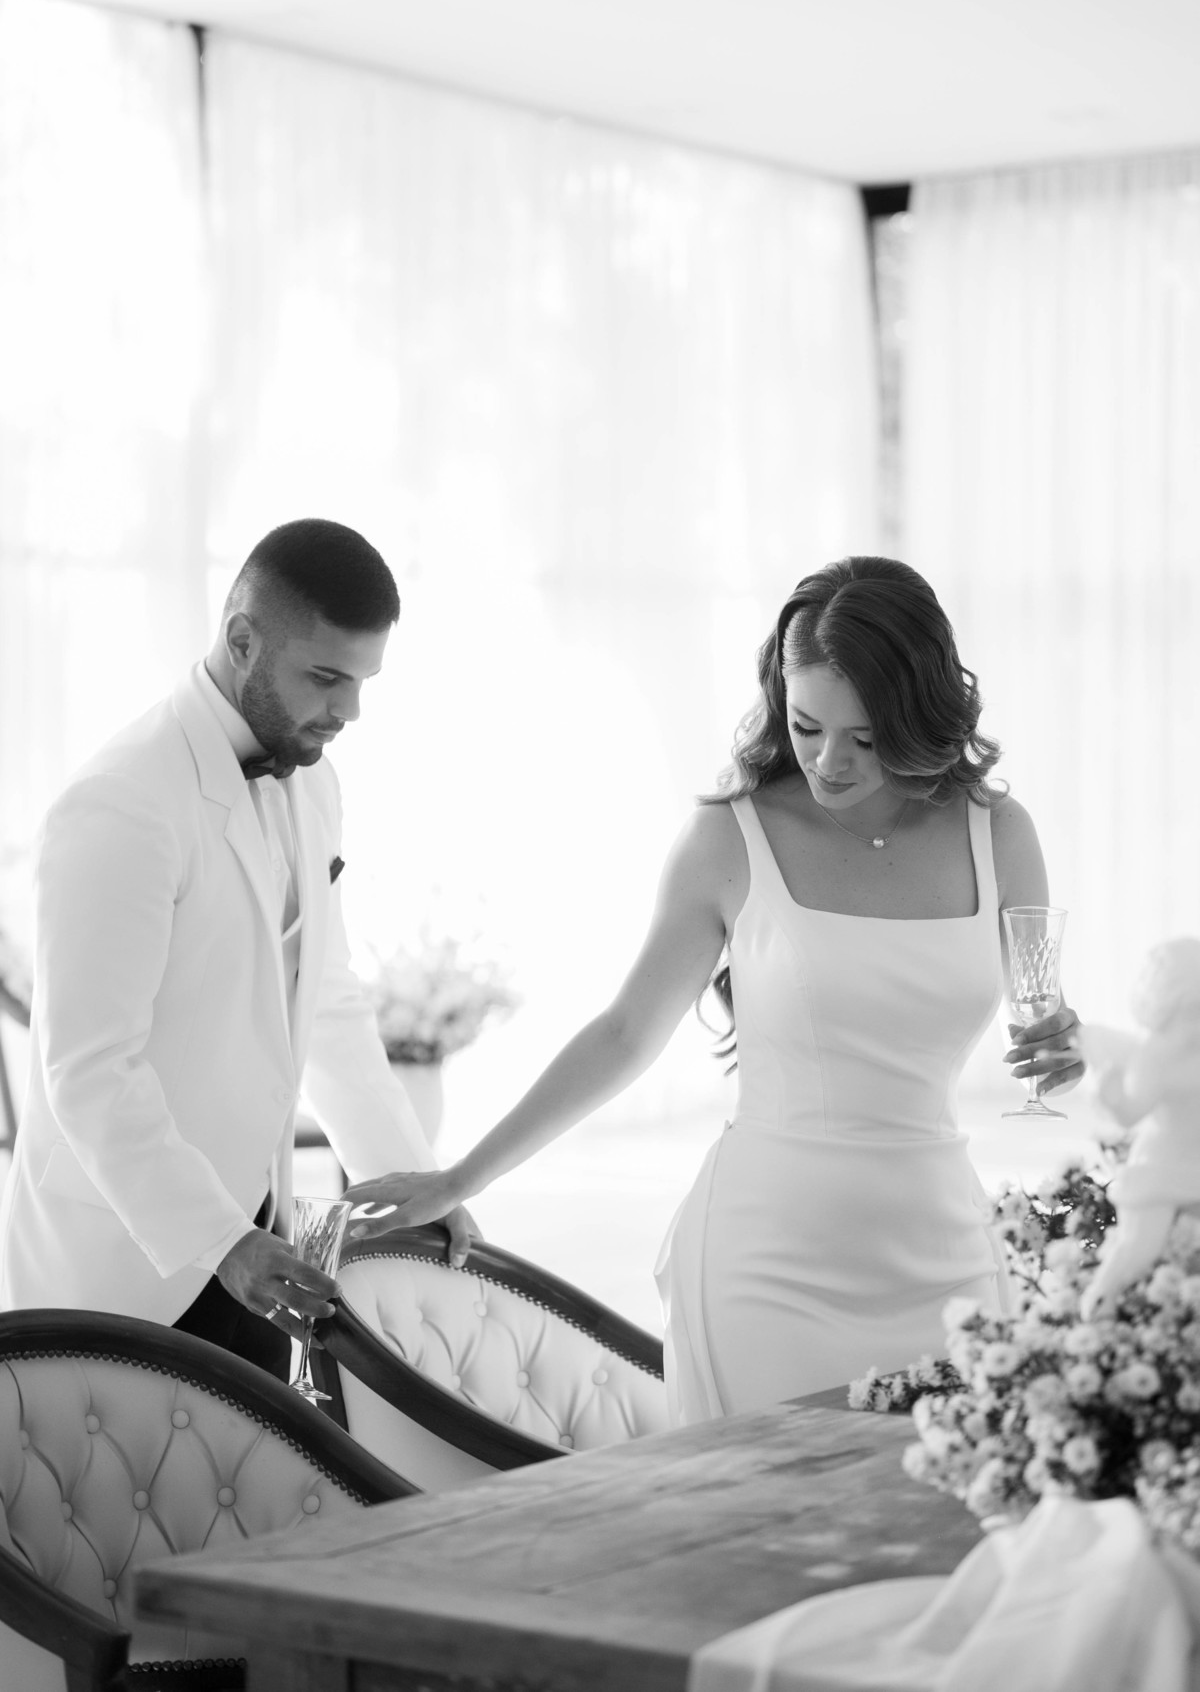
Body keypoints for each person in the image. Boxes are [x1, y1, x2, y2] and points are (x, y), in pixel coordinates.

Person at [344, 556, 1083, 1422]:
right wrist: (459, 1177)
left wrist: (1063, 1046)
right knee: (769, 1503)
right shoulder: (730, 839)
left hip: (946, 1250)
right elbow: (626, 1033)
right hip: (767, 1267)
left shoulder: (1001, 835)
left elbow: (1044, 1014)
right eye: (807, 726)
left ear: (919, 717)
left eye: (865, 737)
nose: (829, 761)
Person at [0, 518, 475, 1379]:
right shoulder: (121, 801)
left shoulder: (315, 782)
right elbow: (90, 1071)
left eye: (362, 681)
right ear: (242, 641)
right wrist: (221, 1241)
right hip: (122, 1268)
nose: (349, 711)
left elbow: (326, 1002)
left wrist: (415, 1184)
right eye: (326, 678)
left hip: (259, 1243)